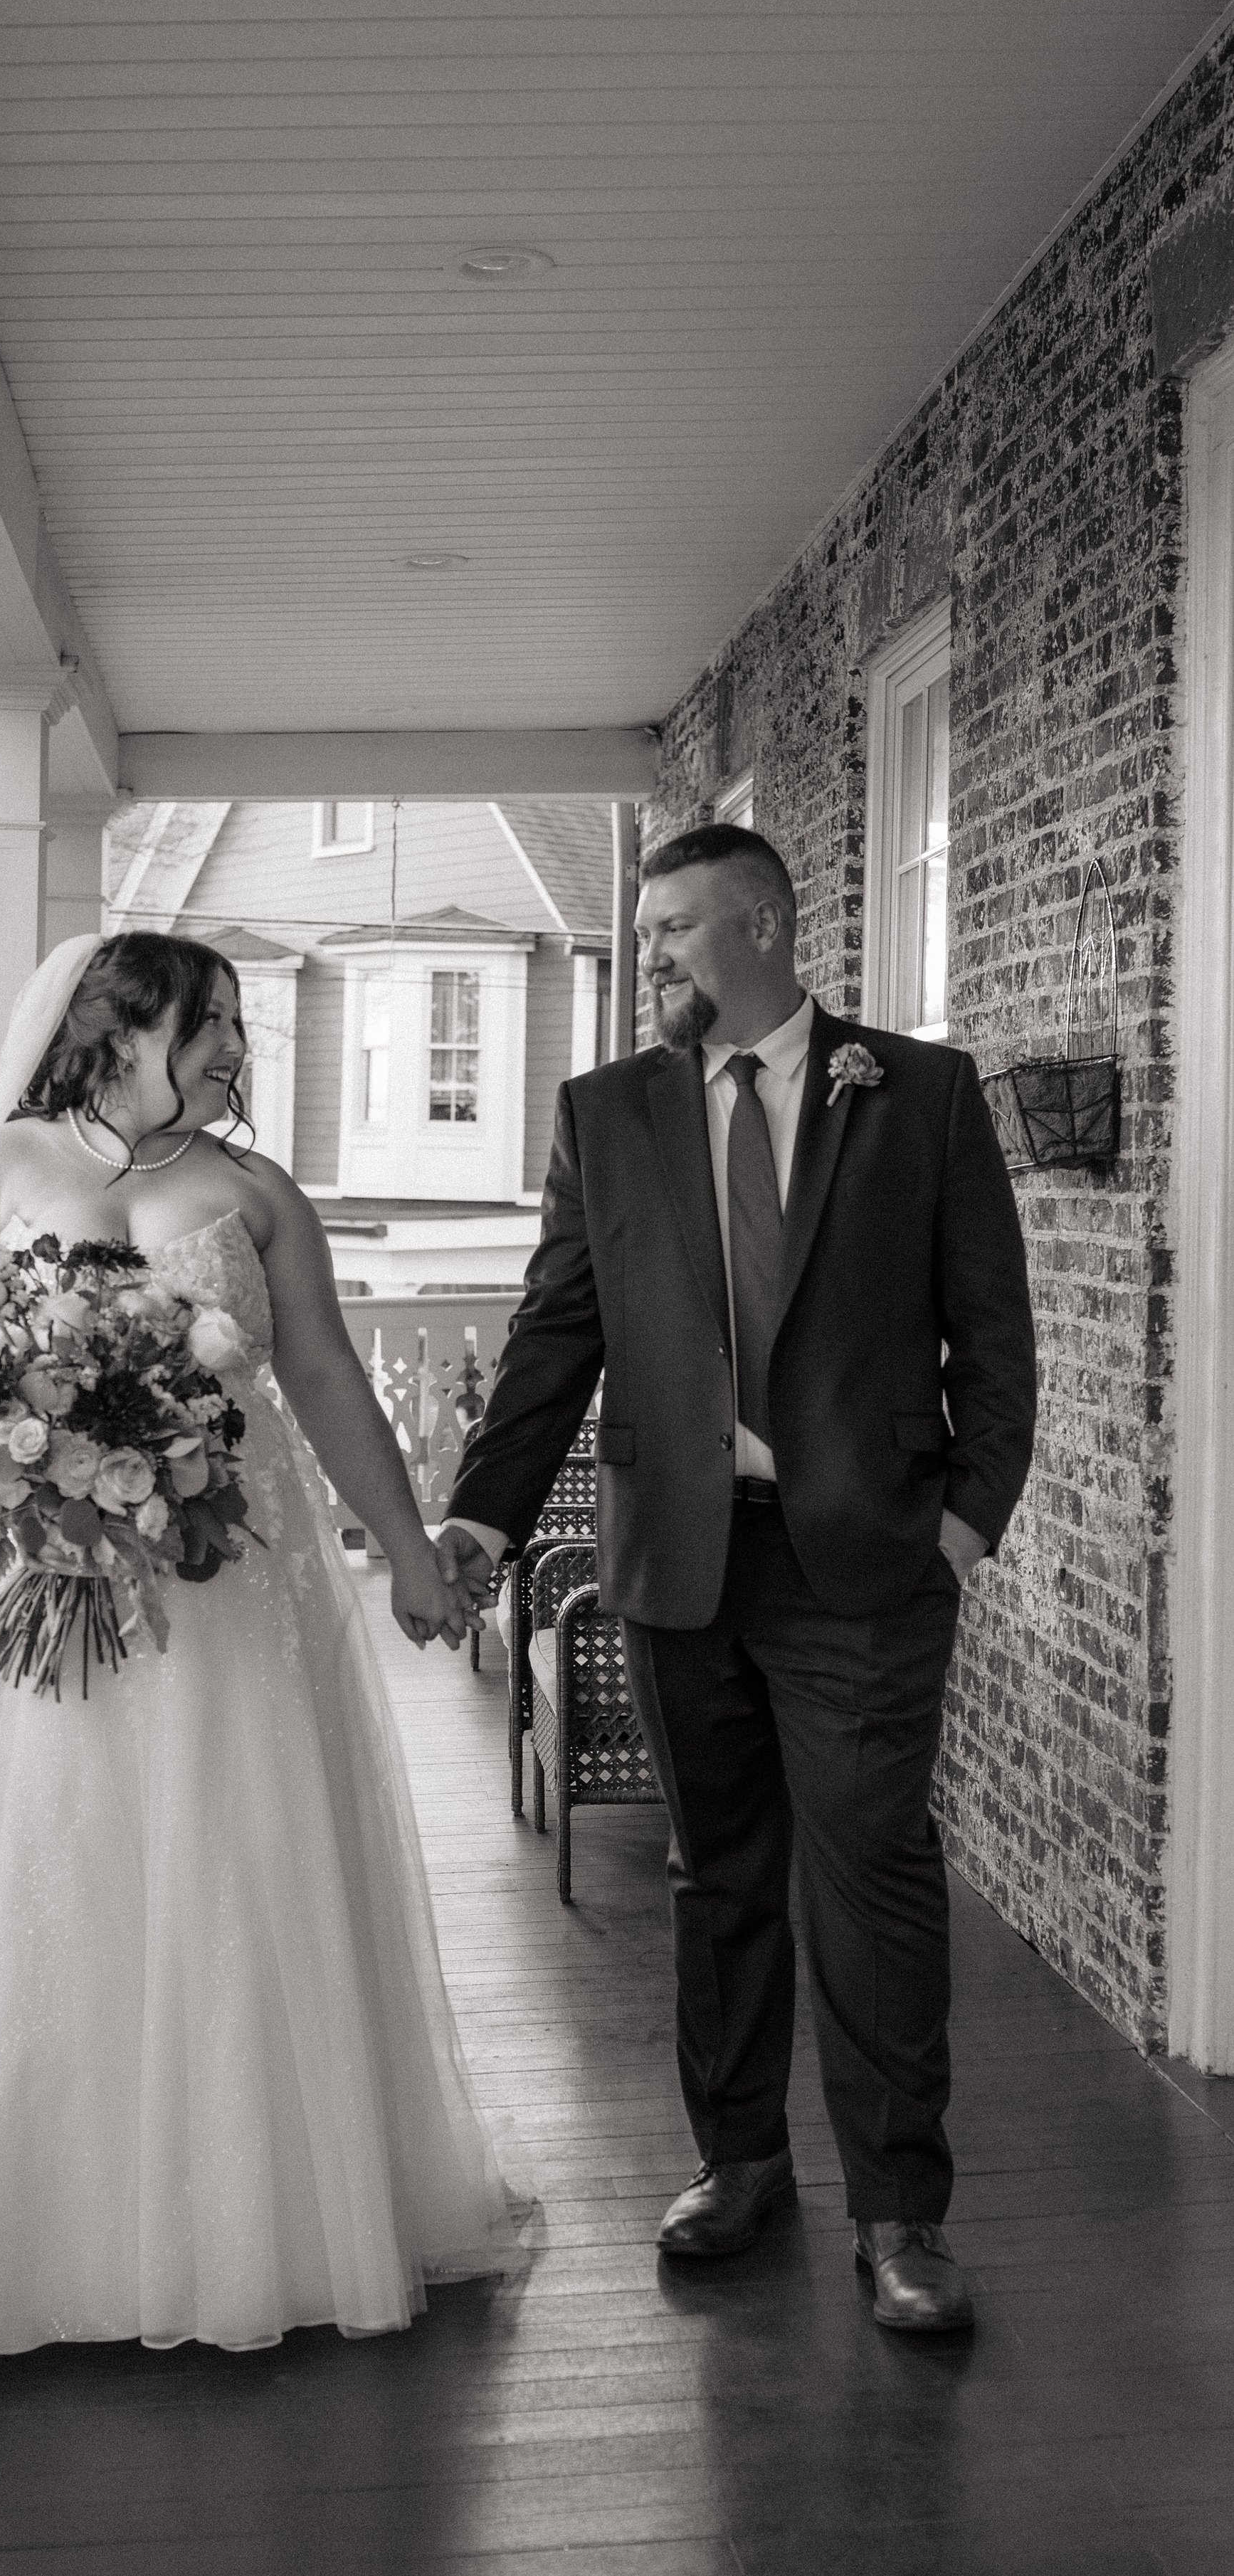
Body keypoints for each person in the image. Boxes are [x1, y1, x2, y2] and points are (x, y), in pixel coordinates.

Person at [0, 929, 522, 2385]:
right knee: (12, 1869)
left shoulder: (255, 1194)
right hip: (6, 1565)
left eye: (238, 1025)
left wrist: (415, 1556)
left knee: (214, 1871)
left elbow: (318, 1376)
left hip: (221, 1588)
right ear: (120, 1026)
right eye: (209, 1019)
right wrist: (17, 1475)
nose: (232, 1046)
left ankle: (227, 2225)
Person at [439, 823, 1036, 2333]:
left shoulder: (919, 1092)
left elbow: (994, 1332)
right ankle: (737, 2161)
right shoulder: (606, 1112)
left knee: (871, 1879)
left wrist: (962, 1524)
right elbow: (552, 1335)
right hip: (677, 1562)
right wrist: (481, 1521)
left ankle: (900, 2213)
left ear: (765, 925)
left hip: (866, 1559)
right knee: (716, 1879)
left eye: (677, 929)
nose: (652, 958)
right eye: (645, 935)